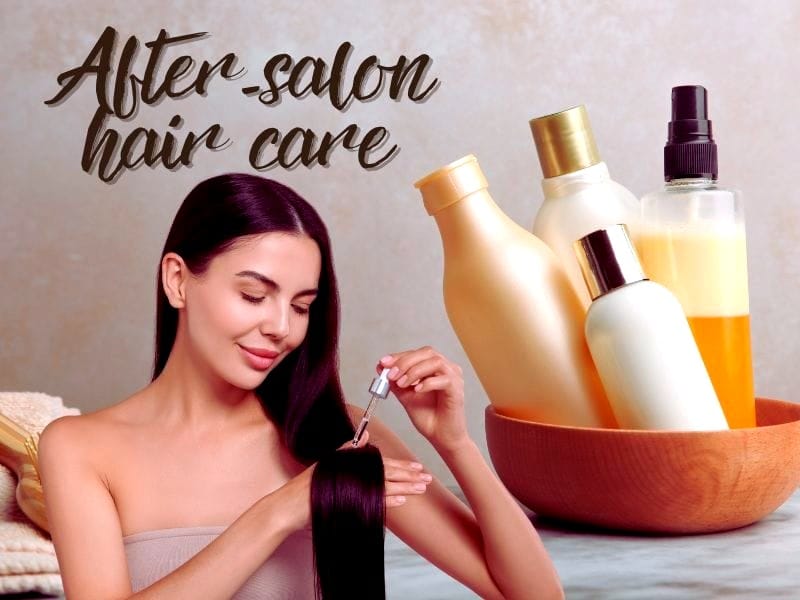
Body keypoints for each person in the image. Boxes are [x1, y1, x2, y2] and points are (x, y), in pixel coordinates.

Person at [37, 173, 564, 599]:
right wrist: (277, 513)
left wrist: (455, 443)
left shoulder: (339, 434)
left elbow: (535, 595)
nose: (281, 327)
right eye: (253, 295)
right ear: (178, 280)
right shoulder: (80, 448)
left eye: (301, 306)